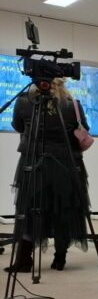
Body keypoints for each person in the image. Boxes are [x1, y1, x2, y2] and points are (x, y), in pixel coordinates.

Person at [7, 78, 91, 272]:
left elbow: (18, 126)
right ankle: (60, 258)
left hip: (33, 161)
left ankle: (24, 259)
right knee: (64, 208)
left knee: (29, 208)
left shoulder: (24, 101)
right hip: (66, 163)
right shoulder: (73, 105)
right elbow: (84, 129)